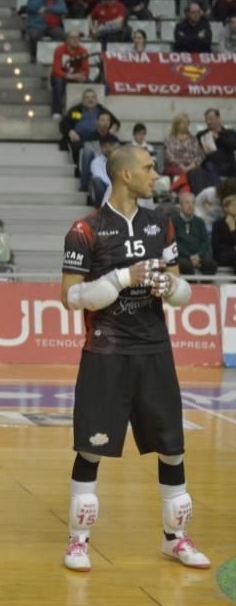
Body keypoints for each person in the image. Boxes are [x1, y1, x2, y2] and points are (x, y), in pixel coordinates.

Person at [60, 145, 210, 573]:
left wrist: (167, 287)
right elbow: (71, 296)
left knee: (172, 449)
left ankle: (175, 539)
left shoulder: (160, 225)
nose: (155, 174)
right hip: (105, 354)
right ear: (124, 175)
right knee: (91, 449)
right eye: (147, 168)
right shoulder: (85, 229)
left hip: (155, 352)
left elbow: (183, 293)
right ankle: (78, 540)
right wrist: (123, 278)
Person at [60, 89, 120, 168]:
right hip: (80, 140)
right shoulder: (76, 111)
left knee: (114, 143)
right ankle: (80, 171)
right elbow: (63, 123)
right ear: (83, 100)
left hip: (98, 139)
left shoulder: (101, 110)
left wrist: (114, 127)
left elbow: (115, 122)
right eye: (87, 98)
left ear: (96, 99)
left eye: (92, 97)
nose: (90, 100)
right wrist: (70, 131)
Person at [173, 192, 216, 277]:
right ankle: (191, 286)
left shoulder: (199, 221)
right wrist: (189, 256)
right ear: (180, 206)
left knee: (211, 264)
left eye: (193, 203)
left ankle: (206, 288)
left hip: (199, 254)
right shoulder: (174, 221)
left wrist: (198, 255)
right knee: (185, 265)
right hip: (182, 255)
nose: (190, 205)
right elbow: (174, 243)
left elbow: (205, 241)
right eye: (187, 203)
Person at [49, 30, 89, 119]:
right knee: (58, 80)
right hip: (61, 77)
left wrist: (82, 76)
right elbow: (56, 70)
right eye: (72, 38)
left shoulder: (83, 51)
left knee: (87, 82)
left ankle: (80, 114)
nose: (75, 40)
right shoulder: (60, 50)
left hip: (75, 77)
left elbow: (86, 70)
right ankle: (57, 111)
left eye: (77, 38)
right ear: (67, 39)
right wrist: (70, 76)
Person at [196, 108, 236, 184]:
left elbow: (233, 145)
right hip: (211, 164)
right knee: (209, 165)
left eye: (211, 119)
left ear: (218, 119)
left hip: (228, 165)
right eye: (207, 120)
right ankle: (217, 190)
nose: (208, 122)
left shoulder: (229, 133)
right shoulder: (201, 134)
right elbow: (197, 151)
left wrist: (219, 138)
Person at [163, 113, 203, 181]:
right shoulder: (169, 140)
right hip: (175, 166)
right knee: (180, 173)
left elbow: (199, 155)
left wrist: (190, 167)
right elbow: (169, 156)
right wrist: (181, 166)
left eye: (187, 123)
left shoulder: (193, 139)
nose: (185, 125)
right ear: (177, 125)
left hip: (191, 166)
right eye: (183, 123)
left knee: (198, 173)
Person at [89, 134, 119, 207]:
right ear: (101, 148)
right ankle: (101, 209)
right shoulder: (96, 161)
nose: (108, 148)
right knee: (97, 181)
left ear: (115, 146)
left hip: (117, 187)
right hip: (104, 187)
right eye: (105, 146)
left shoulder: (120, 161)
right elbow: (100, 177)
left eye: (111, 145)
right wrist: (111, 186)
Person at [211, 195, 236, 268]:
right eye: (233, 205)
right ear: (226, 208)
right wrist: (233, 248)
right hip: (221, 255)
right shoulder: (217, 224)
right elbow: (216, 245)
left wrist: (232, 229)